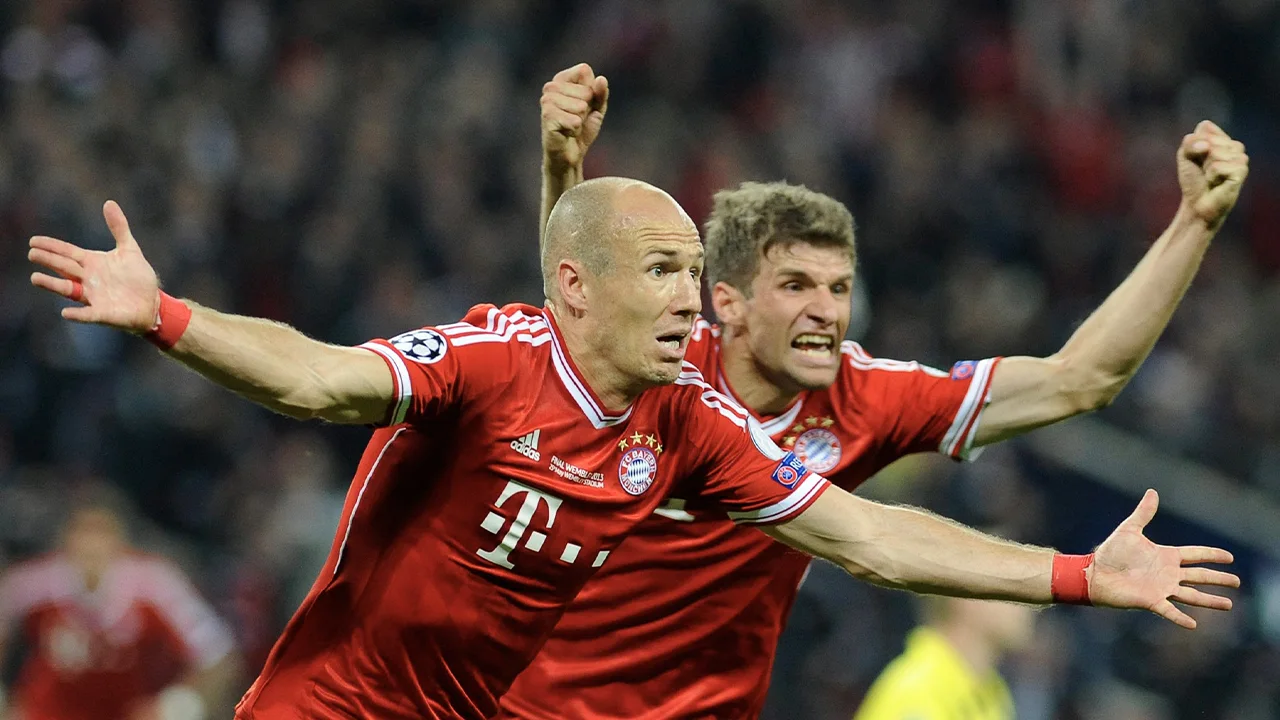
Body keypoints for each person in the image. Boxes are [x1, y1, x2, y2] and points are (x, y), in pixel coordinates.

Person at [27, 173, 1237, 719]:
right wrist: (169, 316)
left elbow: (866, 534)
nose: (682, 302)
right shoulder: (492, 359)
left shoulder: (694, 424)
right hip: (335, 707)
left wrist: (1082, 576)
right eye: (664, 275)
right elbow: (320, 377)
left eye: (843, 287)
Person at [494, 64, 1252, 720]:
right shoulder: (663, 365)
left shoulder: (865, 397)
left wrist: (1196, 220)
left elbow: (1079, 380)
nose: (827, 310)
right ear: (726, 302)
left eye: (840, 288)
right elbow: (577, 315)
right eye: (796, 286)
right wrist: (564, 168)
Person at [0, 484, 239, 720]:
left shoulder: (155, 583)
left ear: (121, 540)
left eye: (102, 533)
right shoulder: (33, 583)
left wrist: (176, 706)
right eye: (83, 533)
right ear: (65, 539)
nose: (91, 546)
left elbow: (218, 655)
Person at [853, 594, 1035, 720]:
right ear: (967, 596)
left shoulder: (993, 692)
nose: (1029, 603)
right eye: (1010, 589)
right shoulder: (918, 692)